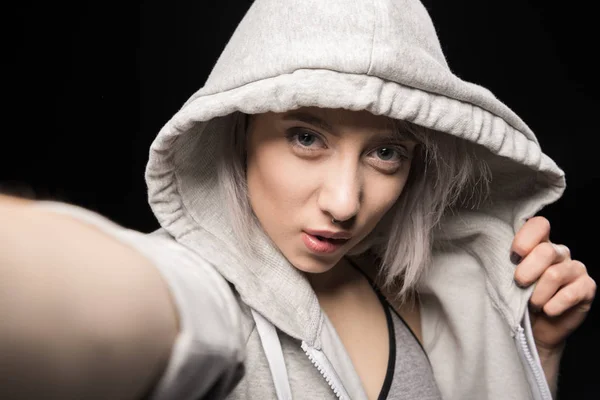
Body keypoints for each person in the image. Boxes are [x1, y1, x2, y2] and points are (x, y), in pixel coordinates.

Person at [0, 0, 595, 399]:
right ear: (238, 133)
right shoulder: (202, 293)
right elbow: (102, 301)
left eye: (387, 153)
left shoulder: (415, 291)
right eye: (306, 137)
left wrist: (535, 351)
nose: (344, 202)